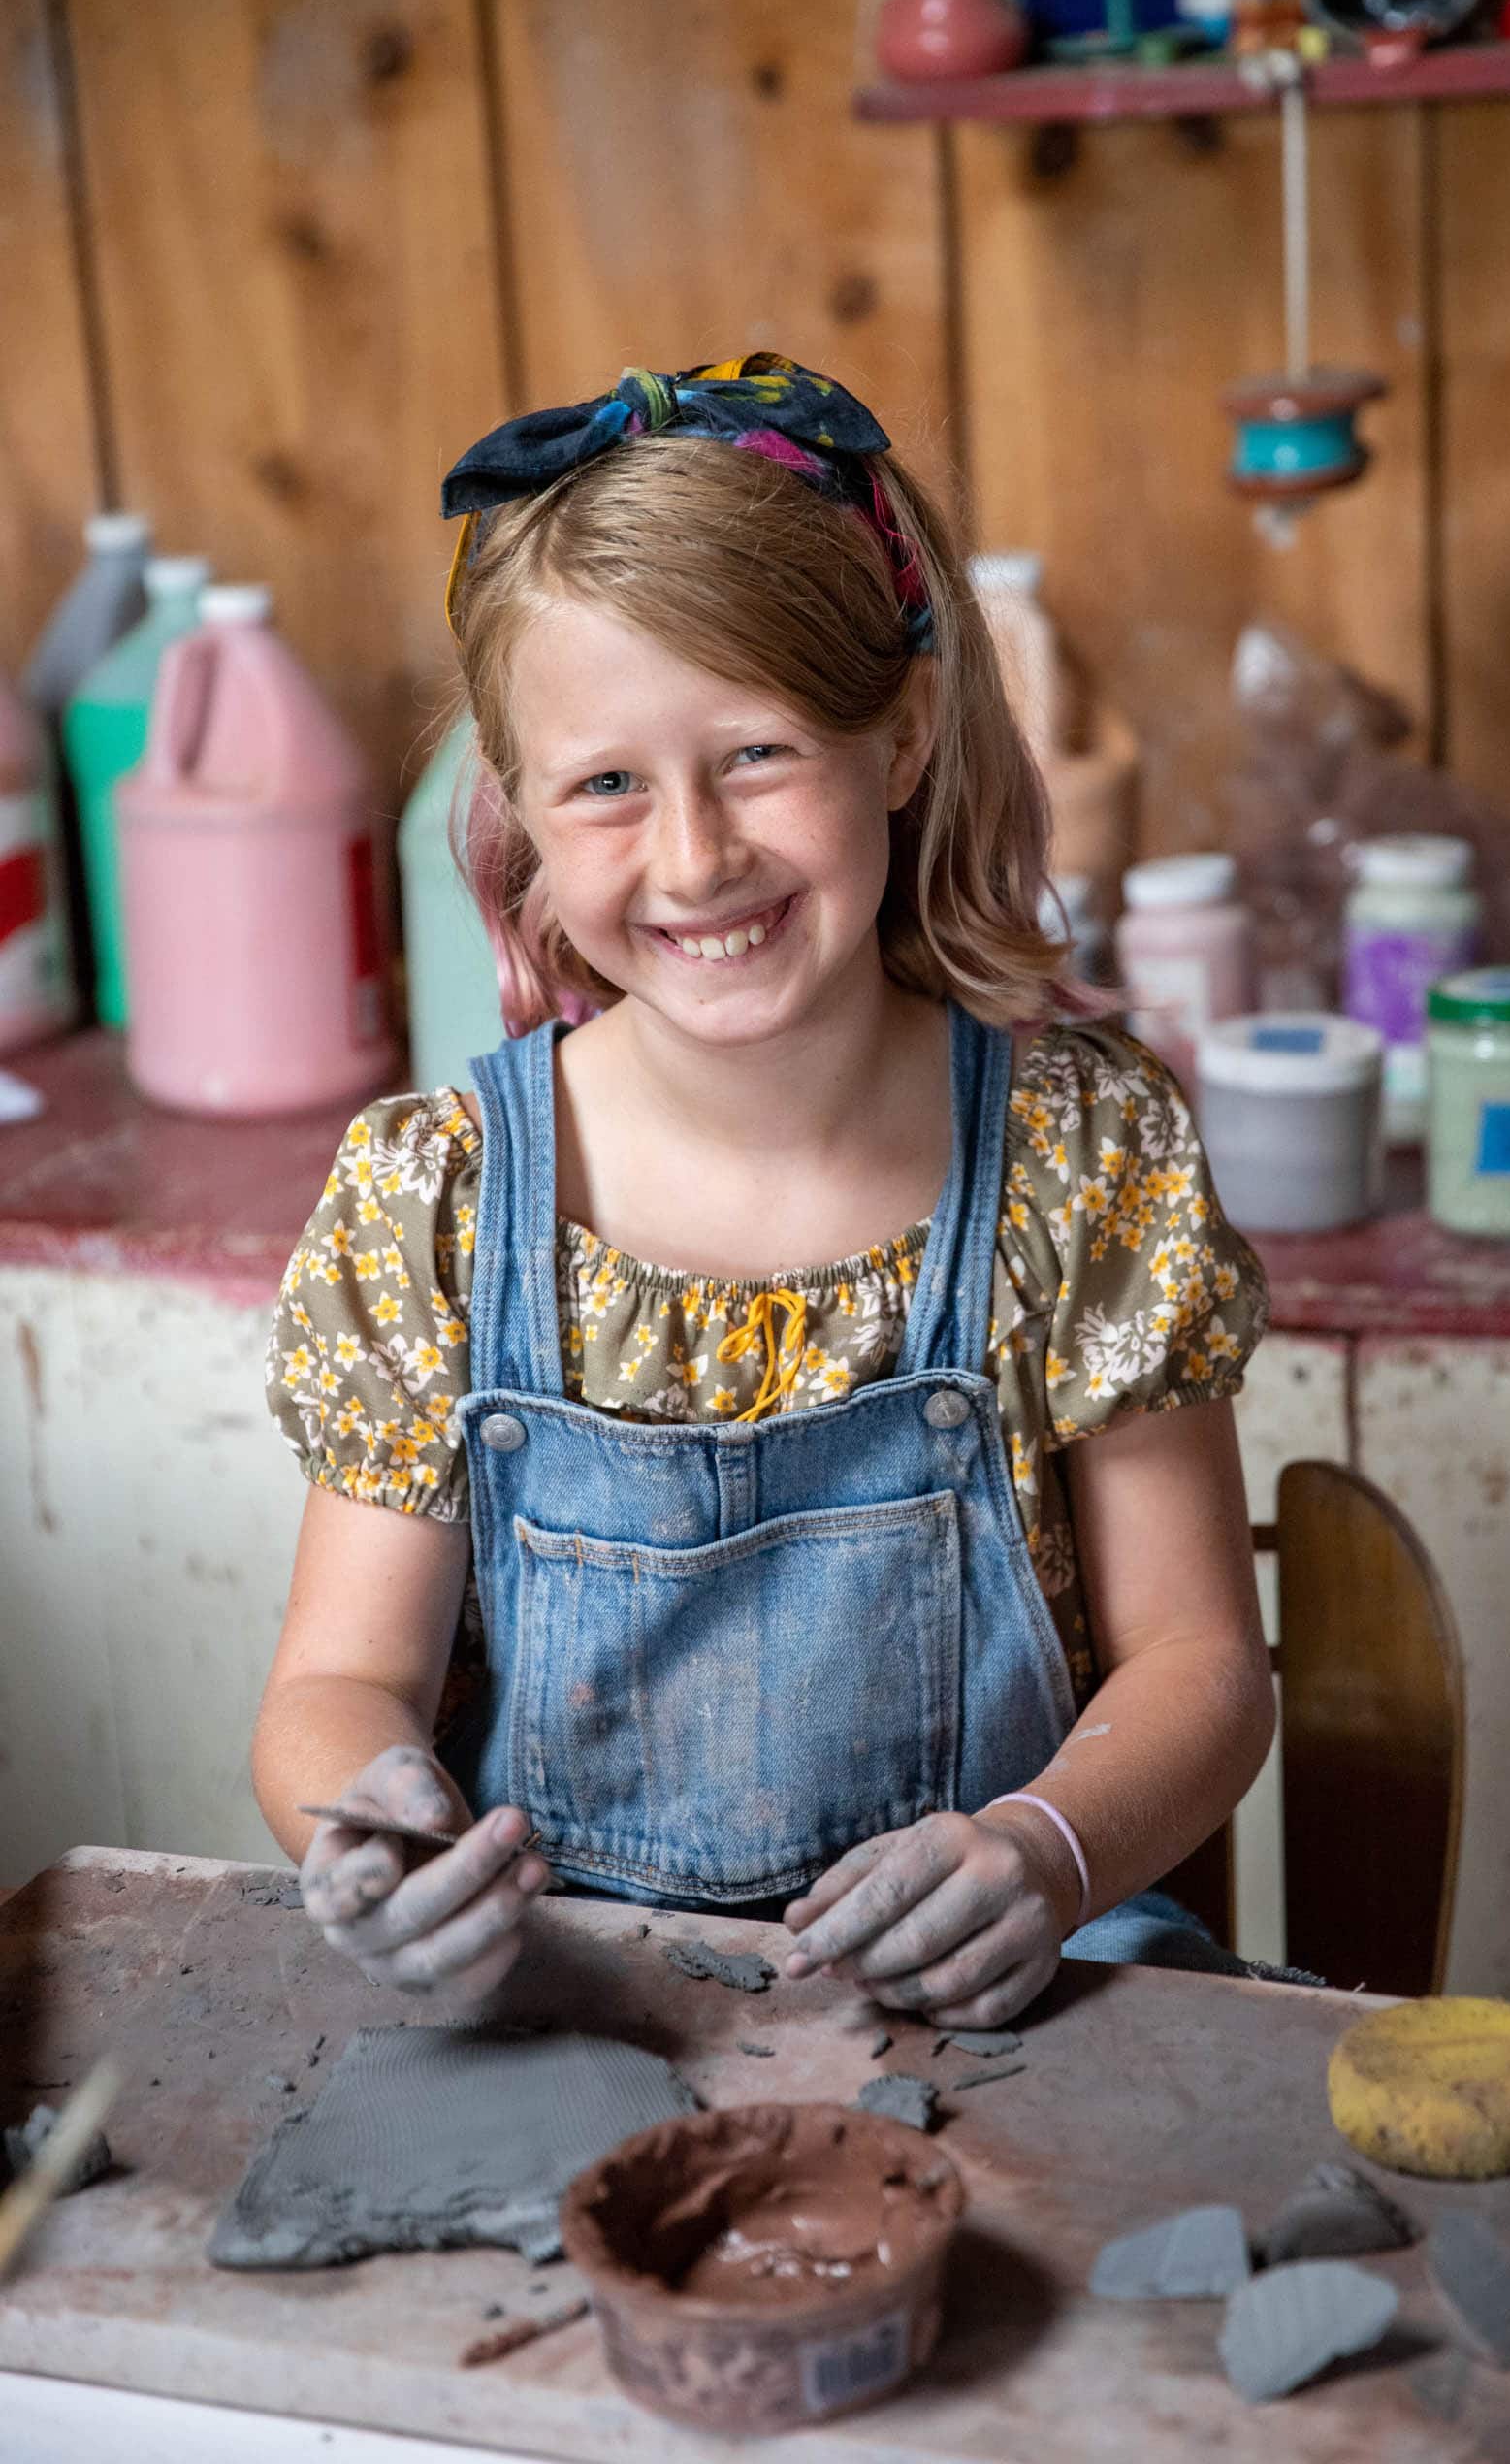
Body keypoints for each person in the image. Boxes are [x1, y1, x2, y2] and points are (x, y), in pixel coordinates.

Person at [254, 354, 1276, 2027]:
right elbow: (335, 1681)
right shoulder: (431, 1203)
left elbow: (1205, 1669)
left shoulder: (1084, 1160)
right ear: (515, 808)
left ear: (905, 734)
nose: (695, 858)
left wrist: (1048, 1849)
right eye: (606, 784)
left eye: (756, 752)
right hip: (578, 1995)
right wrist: (364, 1830)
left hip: (1011, 1985)